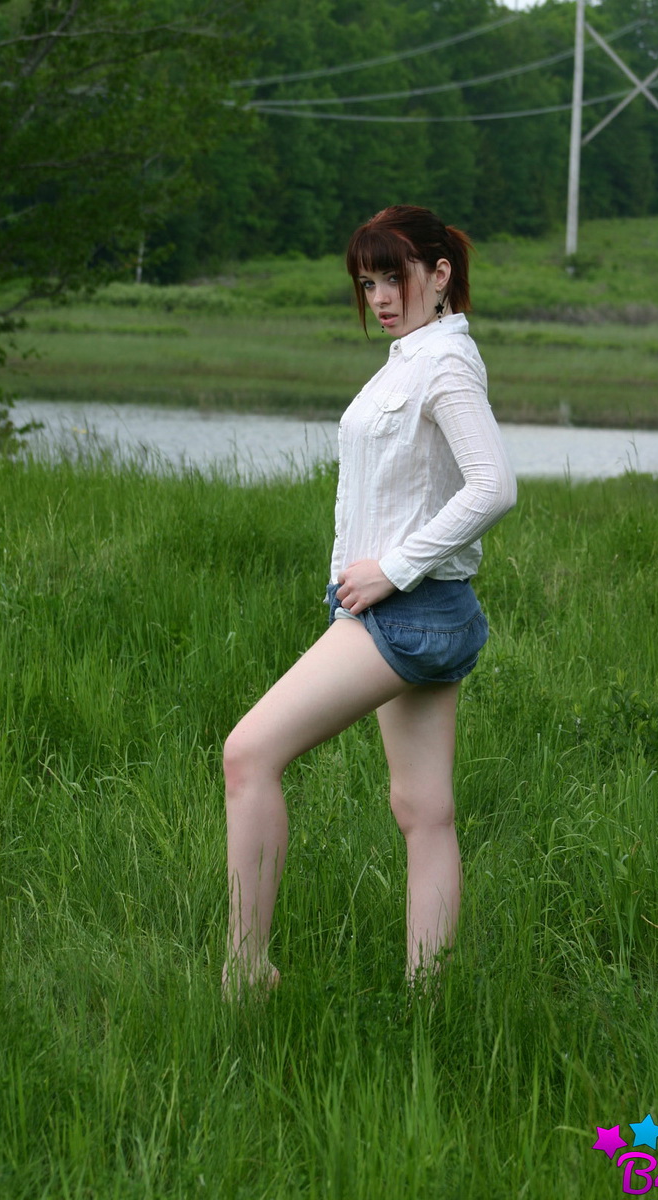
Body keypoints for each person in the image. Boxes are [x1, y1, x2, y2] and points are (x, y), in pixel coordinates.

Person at [222, 205, 516, 994]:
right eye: (367, 283)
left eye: (395, 277)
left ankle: (246, 973)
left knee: (248, 756)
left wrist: (391, 569)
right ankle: (431, 1001)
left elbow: (494, 486)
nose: (380, 297)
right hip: (415, 611)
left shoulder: (444, 364)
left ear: (440, 274)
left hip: (407, 613)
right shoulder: (411, 359)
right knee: (424, 810)